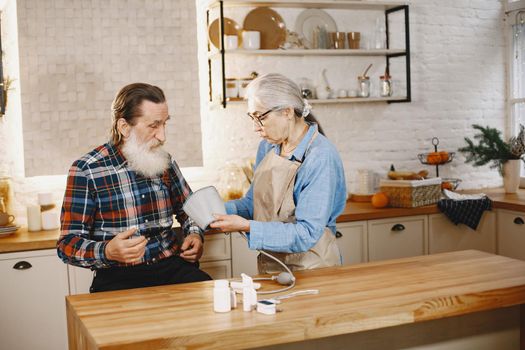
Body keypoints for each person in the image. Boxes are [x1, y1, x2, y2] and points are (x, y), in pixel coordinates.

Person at [57, 83, 211, 292]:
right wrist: (107, 251)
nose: (163, 136)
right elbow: (67, 244)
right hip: (117, 278)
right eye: (153, 126)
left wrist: (194, 234)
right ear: (124, 127)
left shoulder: (165, 162)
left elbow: (192, 210)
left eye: (165, 124)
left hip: (173, 268)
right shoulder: (86, 170)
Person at [211, 73, 347, 273]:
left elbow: (306, 234)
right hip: (272, 267)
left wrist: (247, 226)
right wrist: (214, 210)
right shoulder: (268, 148)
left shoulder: (320, 156)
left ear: (287, 112)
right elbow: (253, 203)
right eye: (252, 117)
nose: (255, 128)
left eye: (261, 117)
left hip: (314, 269)